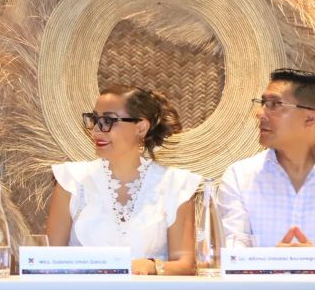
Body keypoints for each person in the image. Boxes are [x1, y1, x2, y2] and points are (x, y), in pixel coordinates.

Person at [45, 86, 200, 275]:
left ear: (141, 128)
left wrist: (152, 266)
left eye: (108, 121)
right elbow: (48, 261)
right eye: (94, 120)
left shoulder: (176, 184)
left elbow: (186, 265)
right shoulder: (72, 180)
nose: (96, 130)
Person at [219, 68, 315, 247]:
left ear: (310, 118)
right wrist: (273, 260)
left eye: (275, 104)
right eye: (263, 103)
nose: (259, 113)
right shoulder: (240, 176)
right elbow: (232, 252)